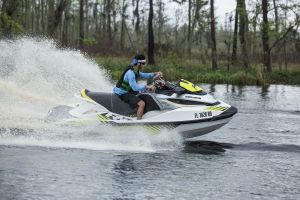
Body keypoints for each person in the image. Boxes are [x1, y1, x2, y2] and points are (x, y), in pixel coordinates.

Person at [113, 54, 162, 120]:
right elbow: (135, 88)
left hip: (127, 90)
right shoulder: (131, 73)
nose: (144, 65)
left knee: (142, 92)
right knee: (142, 103)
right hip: (122, 93)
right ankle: (139, 123)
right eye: (143, 63)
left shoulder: (135, 70)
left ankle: (138, 113)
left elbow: (143, 75)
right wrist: (147, 86)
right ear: (138, 63)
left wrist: (155, 74)